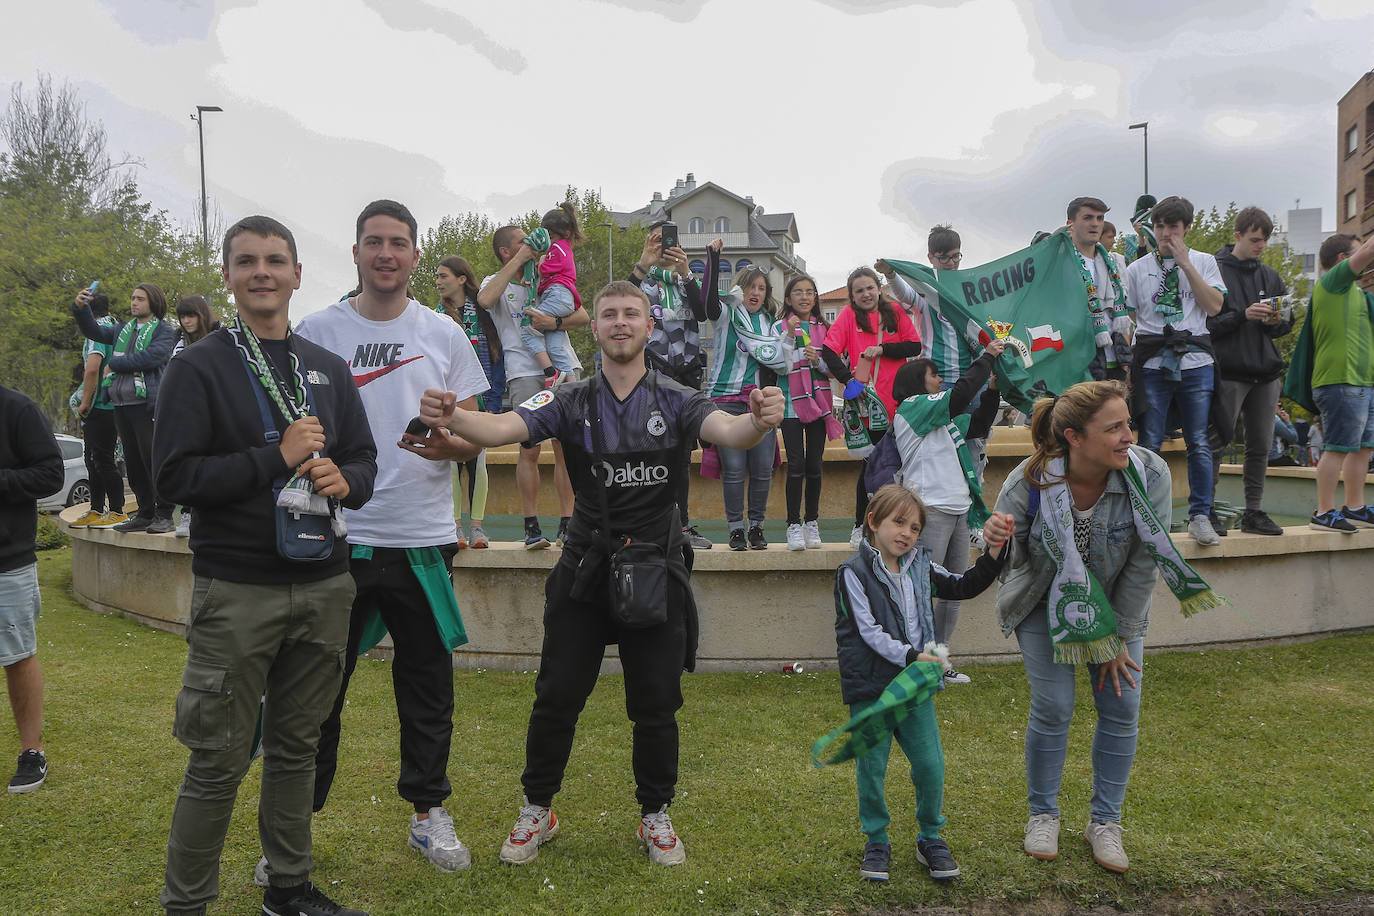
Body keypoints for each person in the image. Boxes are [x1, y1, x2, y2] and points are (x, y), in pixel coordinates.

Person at [418, 280, 784, 868]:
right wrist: (453, 414)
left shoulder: (676, 397)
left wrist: (762, 422)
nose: (618, 323)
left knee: (657, 703)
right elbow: (502, 428)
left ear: (647, 326)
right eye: (609, 313)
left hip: (656, 570)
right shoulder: (568, 398)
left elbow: (731, 431)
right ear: (598, 326)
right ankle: (539, 808)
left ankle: (655, 815)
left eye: (630, 314)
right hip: (584, 568)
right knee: (556, 697)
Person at [152, 215, 378, 916]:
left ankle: (288, 888)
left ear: (297, 274)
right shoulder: (199, 366)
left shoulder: (328, 369)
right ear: (226, 275)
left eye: (275, 260)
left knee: (296, 750)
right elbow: (174, 478)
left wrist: (350, 480)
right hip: (238, 589)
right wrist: (272, 458)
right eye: (246, 260)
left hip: (323, 585)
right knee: (218, 757)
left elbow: (365, 463)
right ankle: (187, 903)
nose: (262, 272)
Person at [296, 199, 489, 877]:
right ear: (354, 252)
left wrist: (451, 446)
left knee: (428, 685)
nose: (386, 254)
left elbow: (474, 435)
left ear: (414, 254)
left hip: (423, 537)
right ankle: (295, 832)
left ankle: (428, 814)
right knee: (317, 691)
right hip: (336, 538)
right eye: (373, 242)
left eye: (399, 243)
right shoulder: (315, 330)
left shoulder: (445, 333)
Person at [993, 380, 1222, 874]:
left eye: (1129, 424)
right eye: (1114, 428)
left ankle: (1105, 823)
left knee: (1121, 704)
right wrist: (993, 540)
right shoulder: (1028, 481)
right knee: (1054, 707)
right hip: (1041, 603)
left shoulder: (1150, 474)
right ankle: (1043, 815)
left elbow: (1145, 563)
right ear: (1075, 437)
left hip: (1117, 604)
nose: (1128, 436)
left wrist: (1114, 636)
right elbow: (1007, 562)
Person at [834, 484, 1012, 883]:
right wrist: (915, 656)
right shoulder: (852, 573)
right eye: (898, 523)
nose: (907, 533)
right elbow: (868, 632)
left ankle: (929, 837)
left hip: (915, 690)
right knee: (871, 770)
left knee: (930, 766)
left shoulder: (921, 567)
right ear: (873, 521)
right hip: (872, 691)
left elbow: (963, 586)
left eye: (914, 527)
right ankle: (877, 839)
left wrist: (994, 552)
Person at [864, 339, 1008, 684]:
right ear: (917, 381)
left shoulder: (941, 419)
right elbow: (959, 395)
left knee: (953, 592)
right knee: (922, 593)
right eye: (934, 375)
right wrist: (987, 357)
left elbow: (978, 425)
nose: (940, 380)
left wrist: (991, 390)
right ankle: (914, 661)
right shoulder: (912, 407)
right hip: (928, 511)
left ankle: (940, 660)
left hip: (959, 511)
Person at [477, 225, 589, 548]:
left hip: (564, 369)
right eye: (522, 242)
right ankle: (531, 526)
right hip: (524, 372)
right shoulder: (495, 283)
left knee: (565, 449)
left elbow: (581, 315)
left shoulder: (544, 278)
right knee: (530, 449)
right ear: (505, 251)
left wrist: (552, 323)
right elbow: (484, 300)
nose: (532, 244)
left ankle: (568, 524)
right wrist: (523, 258)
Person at [1124, 196, 1226, 547]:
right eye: (1160, 226)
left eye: (1173, 226)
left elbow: (1214, 306)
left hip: (1197, 363)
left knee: (1198, 440)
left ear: (1186, 228)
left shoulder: (1205, 261)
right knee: (1149, 441)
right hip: (1152, 364)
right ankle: (1147, 515)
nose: (1166, 233)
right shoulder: (1137, 268)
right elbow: (1134, 319)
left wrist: (1185, 264)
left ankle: (1200, 515)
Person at [633, 227, 722, 550]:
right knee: (653, 451)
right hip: (654, 375)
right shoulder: (645, 283)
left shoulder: (686, 283)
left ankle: (681, 524)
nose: (665, 246)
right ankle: (652, 523)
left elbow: (704, 314)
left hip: (687, 375)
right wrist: (644, 261)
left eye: (669, 241)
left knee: (682, 457)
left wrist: (686, 272)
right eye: (657, 240)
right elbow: (621, 297)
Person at [821, 266, 922, 549]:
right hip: (868, 408)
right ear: (852, 296)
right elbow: (828, 351)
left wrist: (883, 350)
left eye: (869, 288)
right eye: (859, 290)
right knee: (870, 469)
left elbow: (914, 346)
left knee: (900, 470)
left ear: (879, 288)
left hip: (898, 405)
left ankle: (900, 528)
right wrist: (848, 381)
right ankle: (860, 526)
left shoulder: (895, 312)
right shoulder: (848, 316)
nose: (865, 294)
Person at [1206, 206, 1292, 536]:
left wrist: (1279, 319)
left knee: (1261, 445)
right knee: (1216, 441)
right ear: (1238, 235)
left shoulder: (1270, 275)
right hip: (1228, 370)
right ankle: (1207, 509)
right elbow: (1207, 326)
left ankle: (1253, 512)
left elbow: (1282, 327)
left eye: (1265, 241)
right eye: (1255, 239)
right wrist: (1243, 314)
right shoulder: (1213, 270)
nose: (1260, 246)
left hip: (1266, 372)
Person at [1286, 232, 1374, 532]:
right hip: (1339, 381)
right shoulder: (1333, 283)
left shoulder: (1360, 295)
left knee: (1363, 448)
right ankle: (1323, 512)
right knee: (1337, 447)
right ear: (1342, 260)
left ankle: (1355, 507)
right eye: (1357, 251)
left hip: (1363, 383)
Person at [73, 282, 177, 533]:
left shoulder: (164, 330)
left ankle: (164, 513)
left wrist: (116, 364)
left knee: (154, 460)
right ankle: (144, 512)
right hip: (121, 404)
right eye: (132, 298)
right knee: (133, 463)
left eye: (140, 298)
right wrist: (81, 308)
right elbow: (94, 332)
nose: (134, 302)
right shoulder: (123, 329)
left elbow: (154, 357)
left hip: (147, 405)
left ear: (153, 302)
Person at [1, 384, 64, 794]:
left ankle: (31, 752)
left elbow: (51, 473)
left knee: (18, 654)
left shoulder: (16, 408)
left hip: (7, 560)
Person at [705, 265, 787, 550]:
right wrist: (712, 260)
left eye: (761, 288)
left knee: (763, 469)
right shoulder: (728, 313)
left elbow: (785, 357)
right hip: (725, 401)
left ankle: (756, 527)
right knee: (734, 470)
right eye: (751, 286)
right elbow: (708, 303)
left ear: (767, 295)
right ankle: (735, 530)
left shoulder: (772, 323)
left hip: (759, 403)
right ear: (741, 288)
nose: (755, 293)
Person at [437, 255, 503, 549]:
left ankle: (476, 528)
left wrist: (493, 400)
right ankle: (455, 528)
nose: (438, 282)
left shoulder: (485, 313)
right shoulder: (436, 317)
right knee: (451, 465)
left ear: (462, 279)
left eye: (443, 276)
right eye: (437, 277)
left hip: (482, 398)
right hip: (450, 401)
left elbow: (497, 356)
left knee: (479, 461)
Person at [775, 274, 834, 550]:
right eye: (798, 292)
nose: (804, 297)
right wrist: (789, 336)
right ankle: (793, 525)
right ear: (788, 299)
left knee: (815, 465)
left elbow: (834, 367)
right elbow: (777, 364)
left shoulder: (825, 328)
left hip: (820, 404)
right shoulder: (780, 326)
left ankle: (812, 521)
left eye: (810, 292)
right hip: (790, 404)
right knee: (796, 465)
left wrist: (818, 361)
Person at [874, 225, 972, 391]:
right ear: (930, 257)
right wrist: (890, 274)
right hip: (937, 379)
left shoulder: (969, 290)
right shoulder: (926, 291)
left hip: (971, 378)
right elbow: (905, 294)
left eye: (956, 256)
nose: (951, 263)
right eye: (944, 258)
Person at [67, 287, 127, 530]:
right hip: (116, 402)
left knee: (100, 460)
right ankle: (96, 508)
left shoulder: (98, 331)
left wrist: (84, 403)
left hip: (101, 405)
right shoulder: (116, 326)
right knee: (95, 460)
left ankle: (116, 511)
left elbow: (92, 368)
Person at [170, 296, 221, 537]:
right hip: (182, 408)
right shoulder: (177, 339)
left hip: (212, 407)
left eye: (191, 315)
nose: (187, 321)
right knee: (188, 460)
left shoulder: (218, 335)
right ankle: (187, 514)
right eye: (183, 316)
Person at [1064, 197, 1131, 381]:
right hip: (1078, 359)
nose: (1095, 224)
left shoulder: (1113, 262)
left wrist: (1125, 361)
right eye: (1087, 218)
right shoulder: (1061, 261)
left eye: (1100, 218)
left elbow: (1123, 311)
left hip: (1113, 358)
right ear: (1070, 224)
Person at [522, 203, 585, 388]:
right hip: (562, 298)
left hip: (558, 295)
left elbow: (551, 267)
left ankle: (551, 372)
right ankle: (573, 386)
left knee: (527, 329)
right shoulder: (562, 246)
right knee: (555, 347)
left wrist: (540, 264)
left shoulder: (559, 248)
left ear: (552, 233)